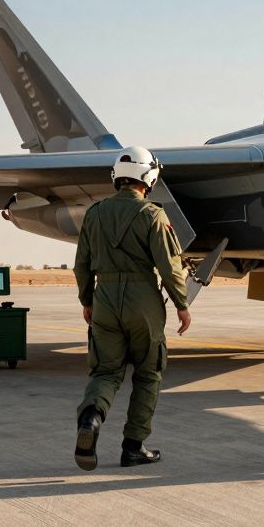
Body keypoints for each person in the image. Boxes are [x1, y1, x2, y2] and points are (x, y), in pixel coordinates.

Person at [74, 146, 192, 471]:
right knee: (148, 372)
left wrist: (87, 301)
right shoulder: (153, 215)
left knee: (106, 372)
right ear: (149, 177)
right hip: (143, 301)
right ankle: (133, 447)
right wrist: (182, 305)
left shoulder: (94, 214)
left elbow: (81, 265)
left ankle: (91, 419)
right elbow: (169, 267)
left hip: (104, 299)